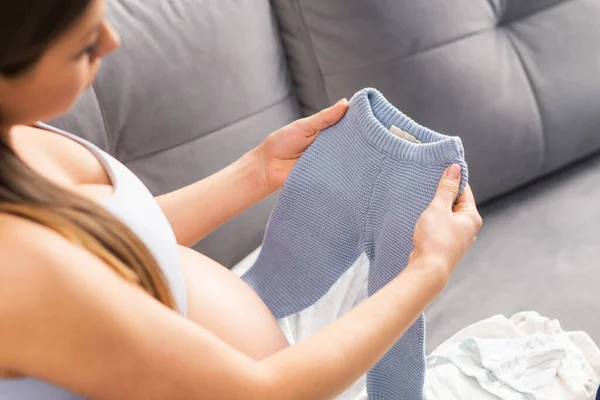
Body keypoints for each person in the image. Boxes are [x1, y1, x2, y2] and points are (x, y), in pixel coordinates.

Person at [0, 0, 482, 399]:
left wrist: (257, 170)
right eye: (84, 46)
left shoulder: (14, 127)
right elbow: (258, 392)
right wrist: (428, 269)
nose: (112, 41)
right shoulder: (16, 271)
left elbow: (107, 243)